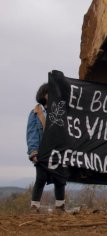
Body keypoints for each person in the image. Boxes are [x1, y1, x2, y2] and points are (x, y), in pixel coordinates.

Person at [26, 83, 66, 213]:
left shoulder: (62, 110)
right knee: (41, 179)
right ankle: (34, 207)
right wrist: (33, 152)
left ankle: (60, 207)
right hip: (42, 152)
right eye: (49, 92)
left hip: (58, 152)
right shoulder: (35, 113)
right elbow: (32, 134)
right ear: (43, 95)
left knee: (60, 179)